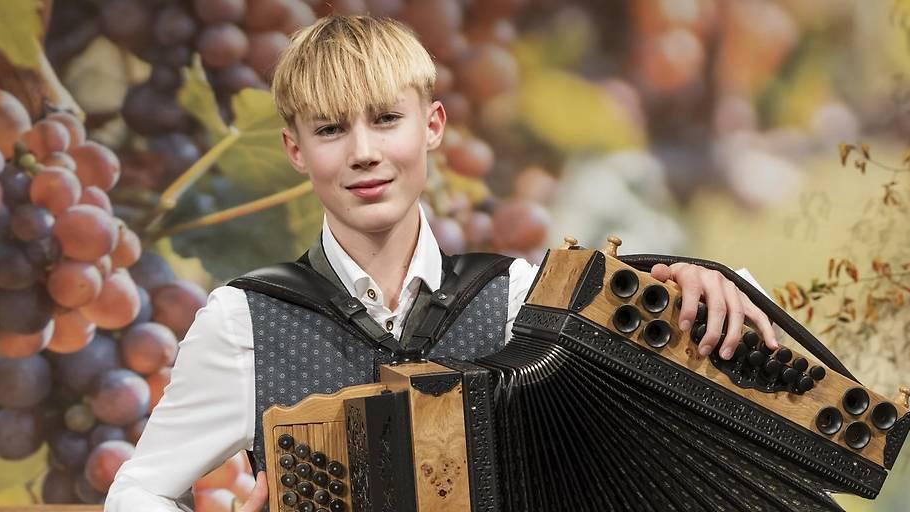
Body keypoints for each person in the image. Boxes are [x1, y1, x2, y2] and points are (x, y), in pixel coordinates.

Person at [105, 15, 778, 511]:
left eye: (385, 120)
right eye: (331, 129)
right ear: (294, 150)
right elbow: (135, 490)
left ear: (432, 126)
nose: (363, 152)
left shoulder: (518, 297)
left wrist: (707, 281)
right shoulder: (243, 321)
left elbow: (707, 363)